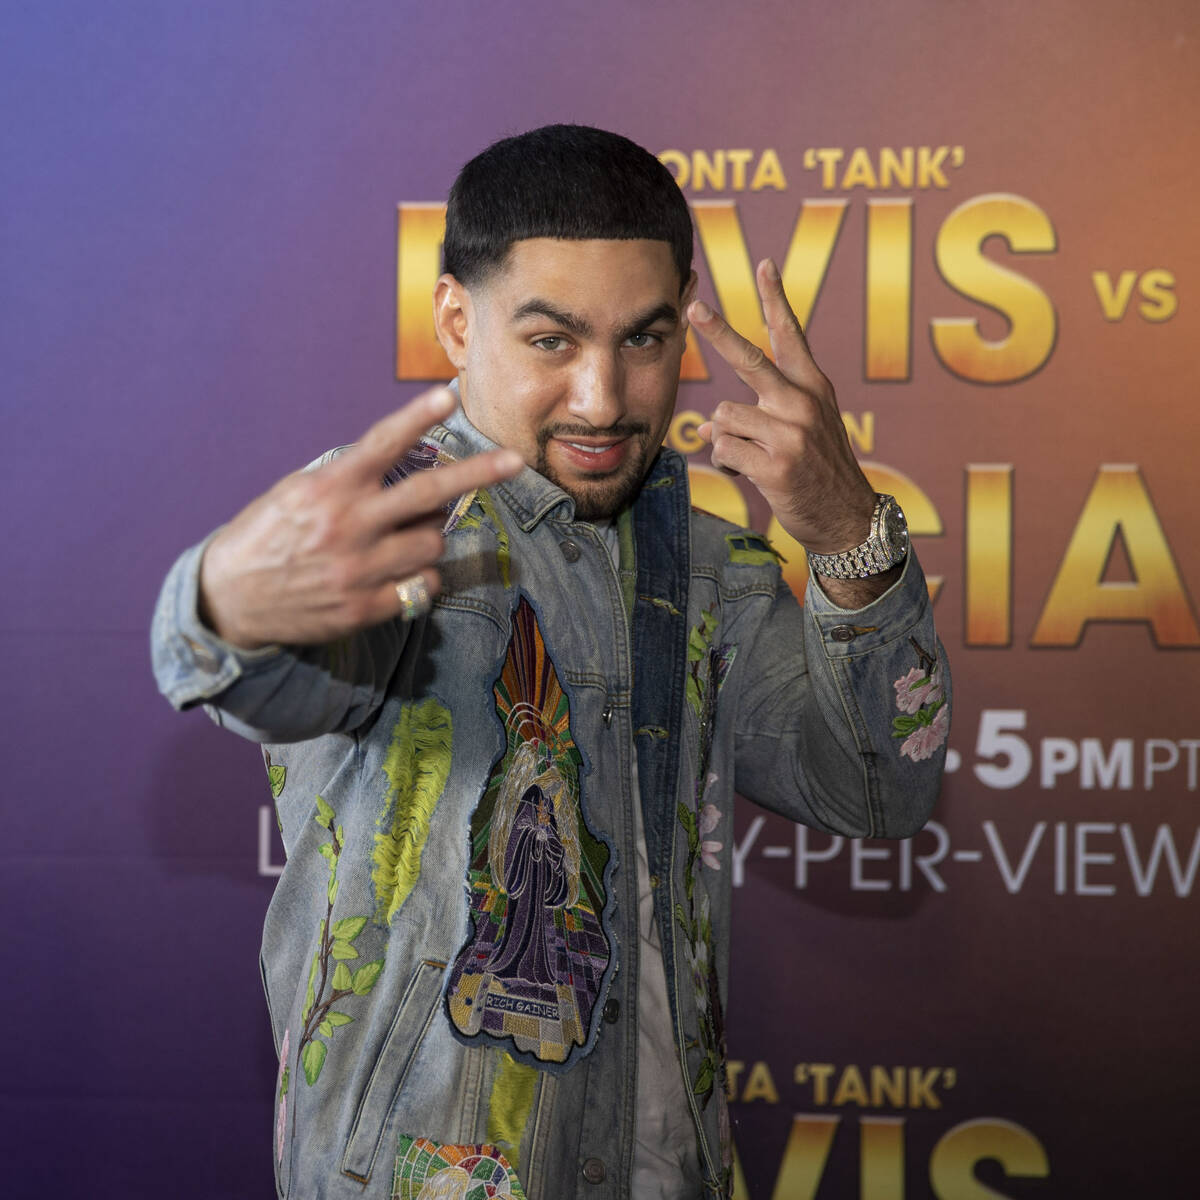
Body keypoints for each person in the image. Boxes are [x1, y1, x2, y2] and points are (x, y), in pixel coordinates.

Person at [151, 124, 949, 1200]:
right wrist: (222, 603)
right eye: (550, 341)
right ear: (453, 321)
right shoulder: (392, 526)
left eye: (644, 340)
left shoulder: (714, 571)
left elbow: (875, 792)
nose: (603, 399)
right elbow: (265, 671)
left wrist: (852, 534)